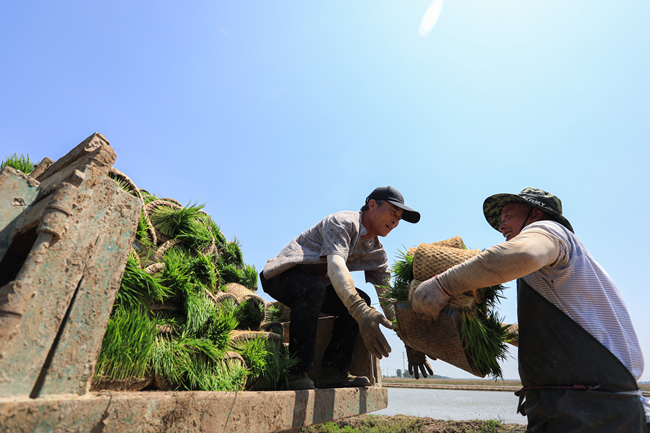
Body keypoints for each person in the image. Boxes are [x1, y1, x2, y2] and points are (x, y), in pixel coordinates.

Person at [412, 187, 648, 432]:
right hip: (581, 407)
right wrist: (486, 330)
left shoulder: (549, 230)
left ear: (535, 214)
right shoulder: (554, 274)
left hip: (594, 410)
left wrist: (442, 285)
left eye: (508, 216)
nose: (501, 226)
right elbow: (552, 338)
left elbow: (523, 253)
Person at [260, 186, 431, 389]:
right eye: (393, 212)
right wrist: (359, 311)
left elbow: (388, 302)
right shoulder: (342, 222)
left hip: (316, 287)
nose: (396, 221)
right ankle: (296, 370)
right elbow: (336, 267)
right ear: (372, 205)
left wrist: (409, 341)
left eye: (399, 218)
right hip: (281, 276)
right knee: (318, 290)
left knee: (363, 299)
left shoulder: (377, 254)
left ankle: (334, 371)